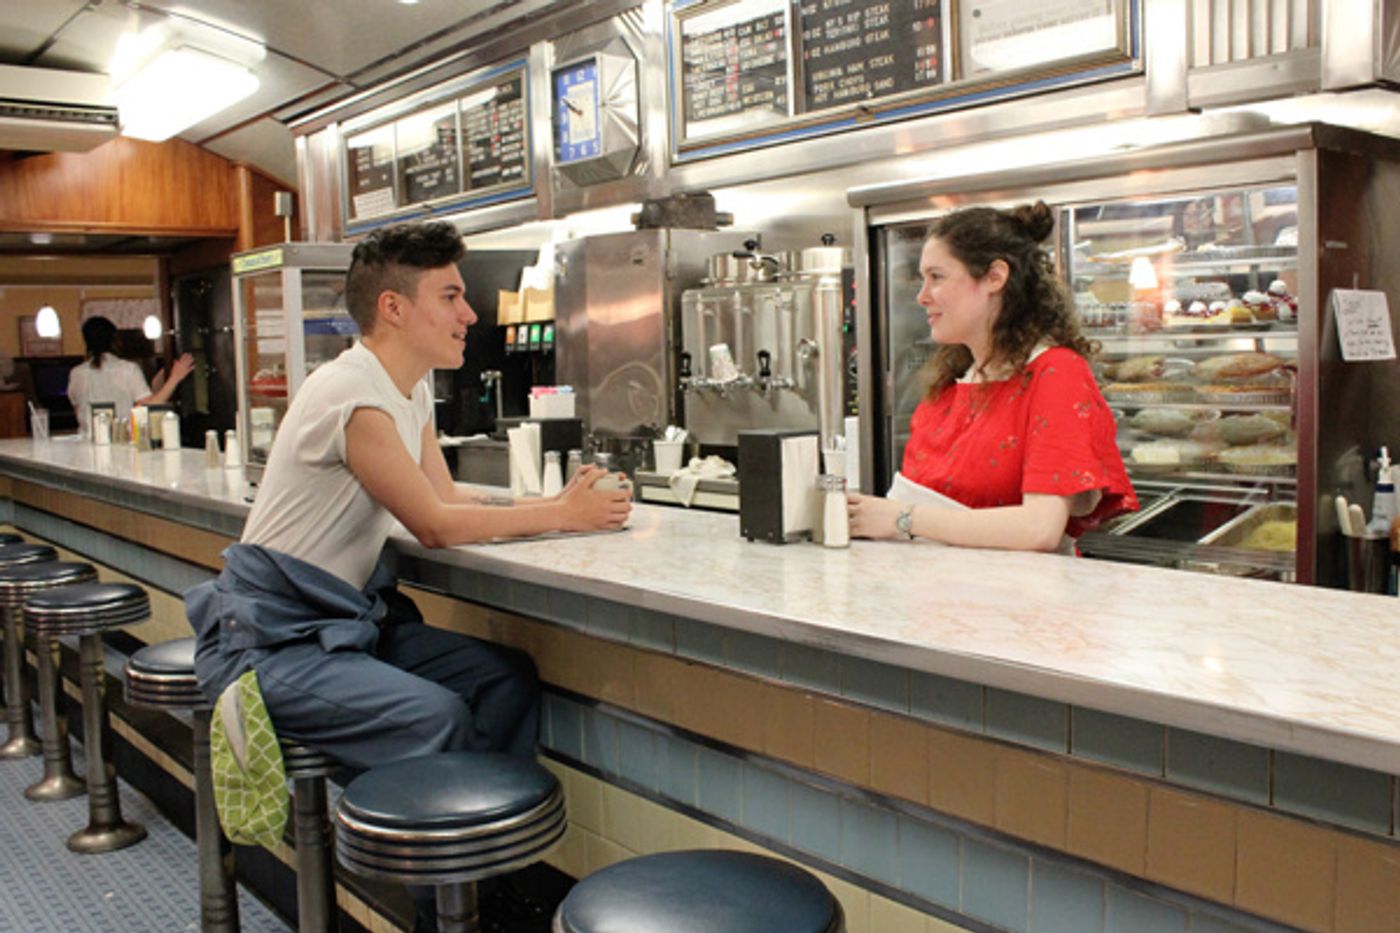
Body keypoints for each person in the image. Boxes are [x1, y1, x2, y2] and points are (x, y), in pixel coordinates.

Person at [186, 220, 632, 775]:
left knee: (502, 679)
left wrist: (553, 503)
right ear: (393, 308)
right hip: (269, 640)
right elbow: (434, 526)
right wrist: (563, 516)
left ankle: (476, 822)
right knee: (435, 716)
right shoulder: (351, 393)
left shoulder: (410, 390)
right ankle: (415, 825)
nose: (469, 314)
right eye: (450, 297)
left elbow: (444, 496)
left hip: (341, 624)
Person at [847, 202, 1137, 551]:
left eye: (937, 277)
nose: (922, 297)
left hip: (1015, 587)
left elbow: (1039, 529)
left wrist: (902, 518)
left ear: (995, 277)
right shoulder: (952, 382)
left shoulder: (1056, 373)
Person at [67, 315, 195, 431]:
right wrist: (175, 377)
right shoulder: (128, 370)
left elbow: (78, 410)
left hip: (86, 443)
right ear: (114, 340)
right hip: (121, 442)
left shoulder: (76, 373)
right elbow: (147, 408)